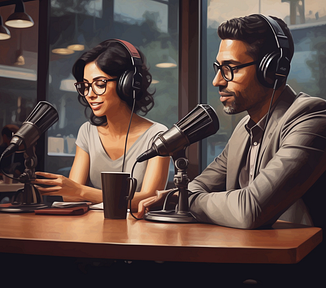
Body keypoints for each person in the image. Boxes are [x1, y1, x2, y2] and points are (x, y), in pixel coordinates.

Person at [138, 14, 326, 235]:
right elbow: (198, 186)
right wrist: (185, 196)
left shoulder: (312, 118)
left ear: (273, 69)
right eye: (218, 67)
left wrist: (184, 200)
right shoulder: (243, 129)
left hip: (297, 265)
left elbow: (250, 209)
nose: (217, 80)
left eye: (230, 68)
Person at [34, 39, 170, 212]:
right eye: (85, 86)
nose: (89, 95)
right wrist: (77, 191)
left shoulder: (158, 135)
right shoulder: (87, 132)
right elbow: (70, 196)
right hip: (93, 229)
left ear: (127, 83)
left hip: (139, 234)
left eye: (99, 84)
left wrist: (81, 191)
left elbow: (150, 199)